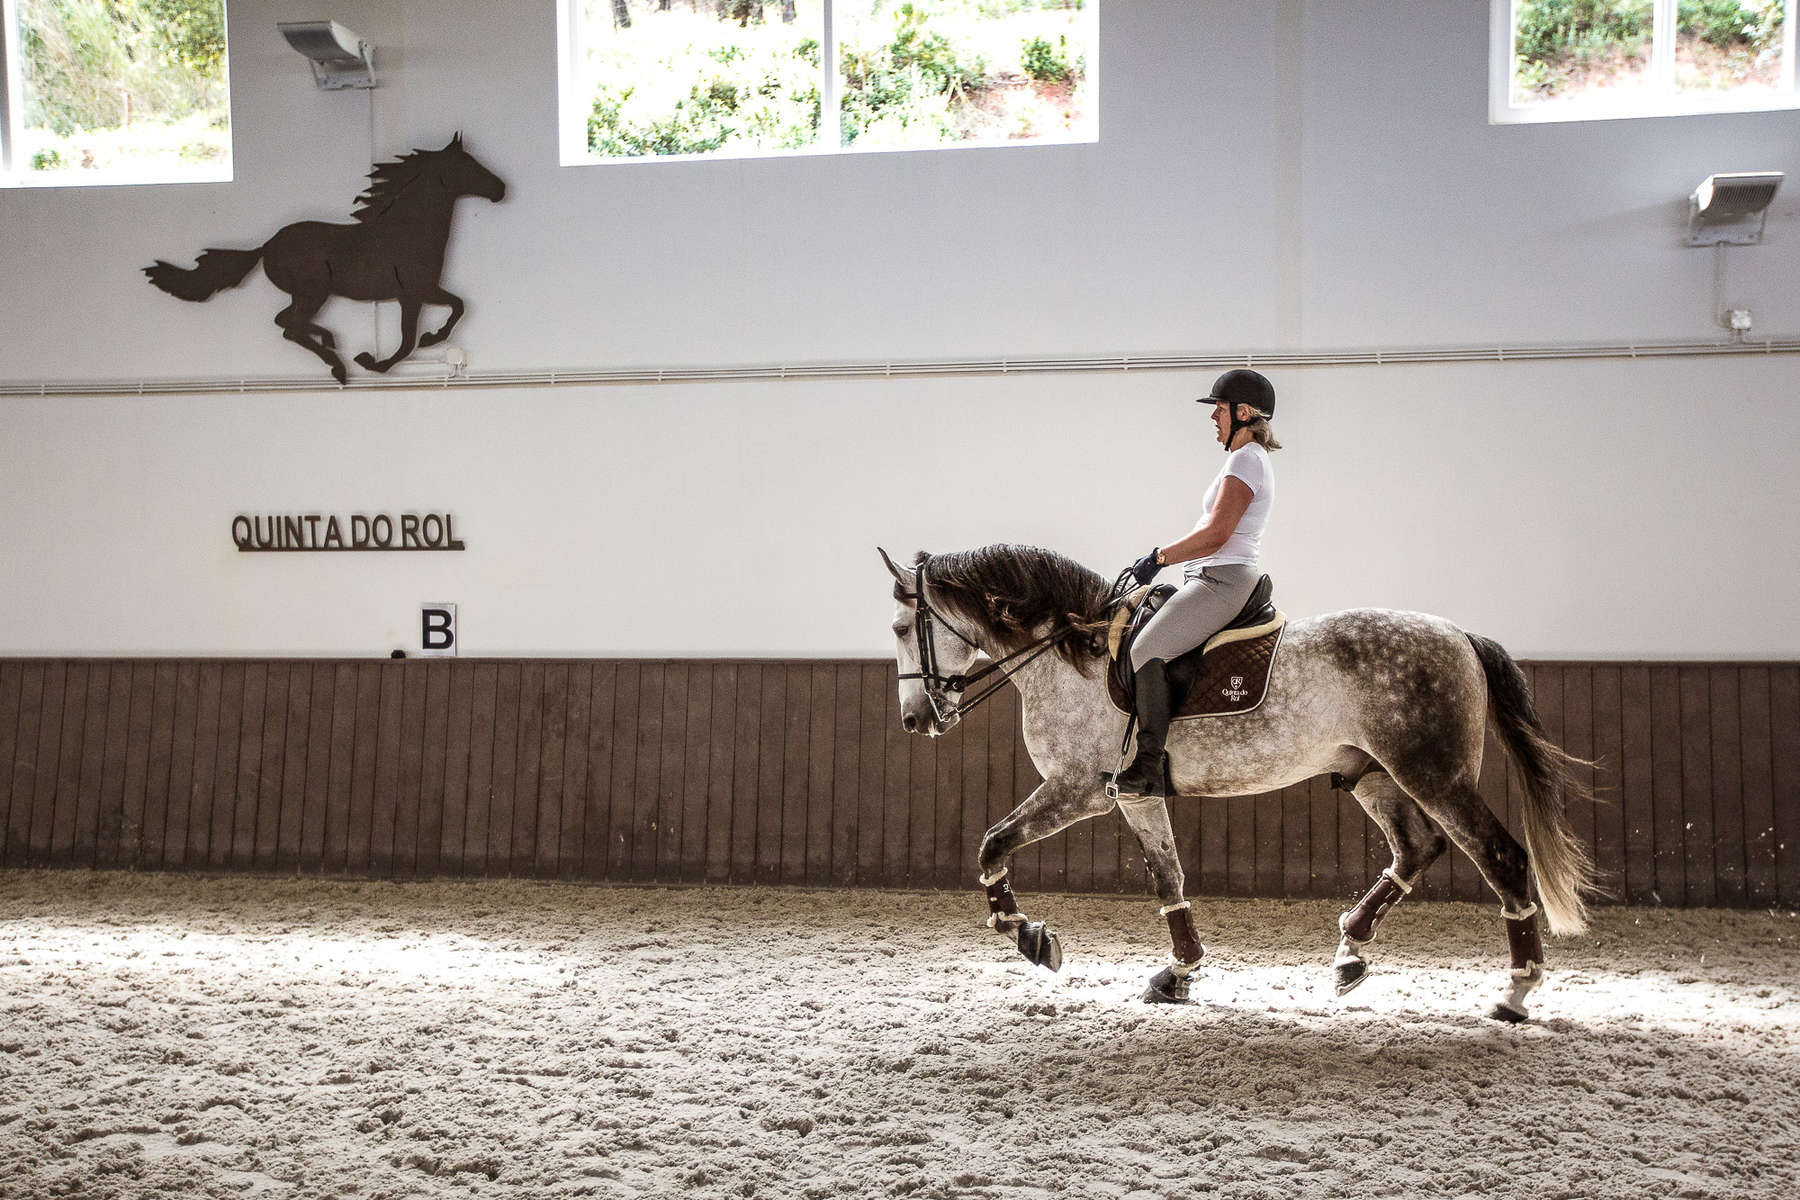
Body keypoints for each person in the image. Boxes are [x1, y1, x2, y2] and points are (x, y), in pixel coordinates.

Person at [1108, 369, 1281, 798]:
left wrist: (1158, 557)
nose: (1213, 418)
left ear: (1243, 413)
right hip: (1207, 576)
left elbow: (1216, 534)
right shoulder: (1242, 459)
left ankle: (1148, 766)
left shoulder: (1247, 459)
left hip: (1223, 581)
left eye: (1219, 409)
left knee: (1146, 648)